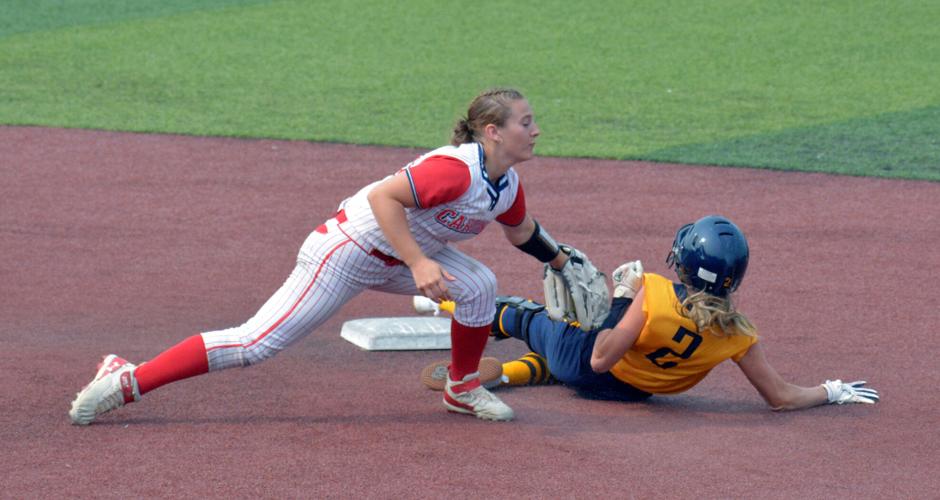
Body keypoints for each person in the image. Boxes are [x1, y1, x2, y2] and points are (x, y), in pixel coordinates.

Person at [69, 87, 577, 424]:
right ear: (493, 132)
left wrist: (561, 263)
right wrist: (421, 264)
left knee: (479, 286)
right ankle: (127, 381)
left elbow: (522, 231)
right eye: (525, 122)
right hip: (348, 249)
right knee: (254, 344)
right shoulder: (456, 170)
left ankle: (461, 387)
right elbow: (383, 199)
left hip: (400, 255)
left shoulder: (505, 183)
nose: (535, 130)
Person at [421, 215, 880, 410]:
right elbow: (781, 396)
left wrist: (623, 294)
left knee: (530, 317)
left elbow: (599, 356)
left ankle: (440, 300)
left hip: (588, 363)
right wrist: (832, 390)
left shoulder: (656, 293)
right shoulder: (739, 333)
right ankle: (516, 375)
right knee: (567, 359)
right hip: (629, 395)